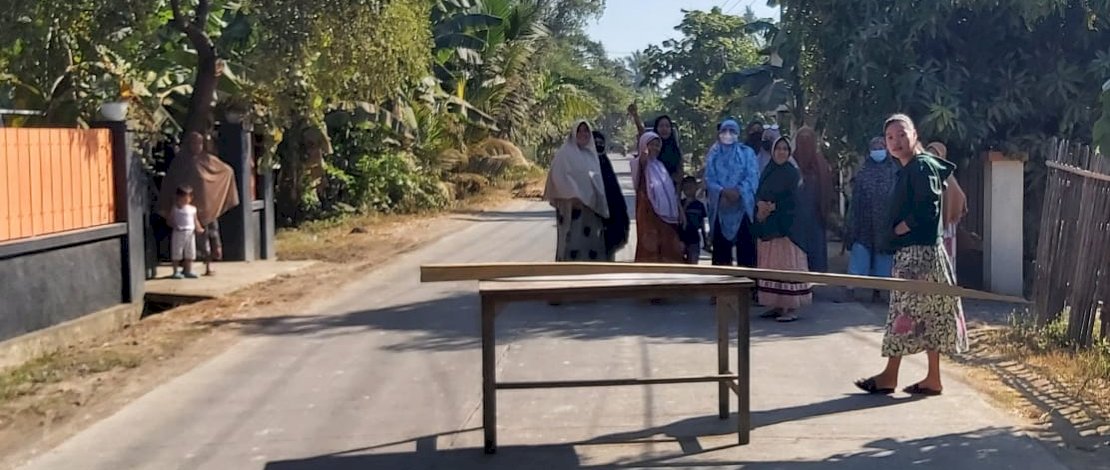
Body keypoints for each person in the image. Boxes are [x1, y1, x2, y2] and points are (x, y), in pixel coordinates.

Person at [855, 114, 968, 397]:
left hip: (920, 255)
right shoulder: (910, 168)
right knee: (928, 316)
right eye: (890, 137)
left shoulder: (921, 167)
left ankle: (890, 376)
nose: (895, 142)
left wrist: (898, 229)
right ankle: (931, 378)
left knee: (903, 314)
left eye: (901, 134)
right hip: (918, 253)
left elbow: (927, 211)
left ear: (915, 135)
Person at [159, 132, 239, 276]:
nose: (197, 146)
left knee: (209, 237)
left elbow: (226, 171)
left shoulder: (208, 160)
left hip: (206, 208)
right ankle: (185, 269)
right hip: (185, 209)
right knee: (183, 241)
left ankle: (209, 266)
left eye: (199, 143)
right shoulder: (180, 162)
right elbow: (171, 183)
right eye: (193, 143)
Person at [753, 137, 813, 322]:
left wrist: (773, 207)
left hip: (789, 229)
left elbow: (795, 200)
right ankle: (776, 305)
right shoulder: (767, 171)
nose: (781, 152)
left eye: (785, 149)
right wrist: (760, 207)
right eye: (778, 148)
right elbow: (759, 193)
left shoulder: (792, 174)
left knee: (787, 265)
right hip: (769, 226)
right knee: (772, 265)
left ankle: (790, 307)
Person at [544, 121, 611, 262]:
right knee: (571, 242)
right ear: (574, 134)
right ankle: (567, 275)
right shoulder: (565, 153)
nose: (583, 134)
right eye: (580, 131)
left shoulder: (591, 154)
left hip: (590, 209)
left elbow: (596, 181)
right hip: (570, 208)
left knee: (589, 243)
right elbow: (557, 177)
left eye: (586, 131)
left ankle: (589, 275)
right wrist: (573, 195)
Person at [846, 137, 899, 303]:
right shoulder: (863, 172)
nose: (878, 150)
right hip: (864, 223)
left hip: (885, 224)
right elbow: (855, 200)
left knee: (883, 259)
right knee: (860, 255)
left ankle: (879, 291)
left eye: (881, 146)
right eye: (875, 147)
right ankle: (851, 289)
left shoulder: (894, 171)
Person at [705, 119, 760, 268]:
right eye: (724, 131)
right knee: (721, 256)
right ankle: (722, 290)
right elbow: (709, 178)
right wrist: (722, 192)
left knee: (747, 254)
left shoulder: (747, 153)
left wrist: (739, 191)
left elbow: (753, 176)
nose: (728, 134)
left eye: (732, 131)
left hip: (742, 209)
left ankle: (748, 289)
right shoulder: (714, 155)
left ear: (738, 134)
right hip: (721, 208)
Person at [632, 132, 684, 264]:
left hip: (665, 214)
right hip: (648, 211)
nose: (655, 148)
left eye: (657, 145)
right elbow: (642, 161)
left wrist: (678, 210)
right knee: (650, 246)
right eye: (651, 145)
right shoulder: (639, 163)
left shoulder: (660, 166)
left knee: (668, 244)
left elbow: (671, 192)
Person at [792, 126, 834, 273]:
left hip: (816, 216)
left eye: (808, 140)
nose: (804, 143)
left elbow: (828, 190)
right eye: (801, 140)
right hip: (796, 219)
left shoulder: (821, 164)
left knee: (816, 251)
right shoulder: (791, 163)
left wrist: (825, 210)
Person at [925, 141, 967, 271]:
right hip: (938, 226)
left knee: (943, 260)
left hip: (941, 227)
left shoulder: (943, 176)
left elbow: (960, 198)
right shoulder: (930, 175)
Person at [594, 130, 630, 260]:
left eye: (601, 143)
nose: (598, 145)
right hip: (590, 216)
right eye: (595, 143)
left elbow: (614, 192)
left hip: (610, 215)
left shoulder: (605, 162)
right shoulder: (584, 162)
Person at [628, 103, 683, 183]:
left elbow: (680, 173)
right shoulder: (652, 147)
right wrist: (635, 116)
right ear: (656, 129)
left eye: (667, 126)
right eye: (661, 126)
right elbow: (642, 133)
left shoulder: (676, 151)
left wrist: (676, 192)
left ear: (671, 130)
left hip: (670, 189)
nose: (664, 129)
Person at [169, 186, 205, 279]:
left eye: (188, 197)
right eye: (183, 197)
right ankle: (175, 271)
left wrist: (199, 228)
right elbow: (170, 220)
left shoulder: (193, 209)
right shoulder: (175, 208)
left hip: (190, 232)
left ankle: (188, 270)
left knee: (190, 252)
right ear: (178, 197)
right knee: (177, 252)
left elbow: (195, 220)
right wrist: (175, 225)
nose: (186, 199)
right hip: (179, 232)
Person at [680, 176, 708, 264]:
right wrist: (685, 205)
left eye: (690, 187)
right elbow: (679, 218)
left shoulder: (699, 205)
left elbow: (702, 223)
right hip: (682, 237)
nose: (688, 190)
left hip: (694, 238)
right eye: (686, 188)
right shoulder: (681, 203)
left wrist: (705, 240)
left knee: (693, 262)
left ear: (696, 188)